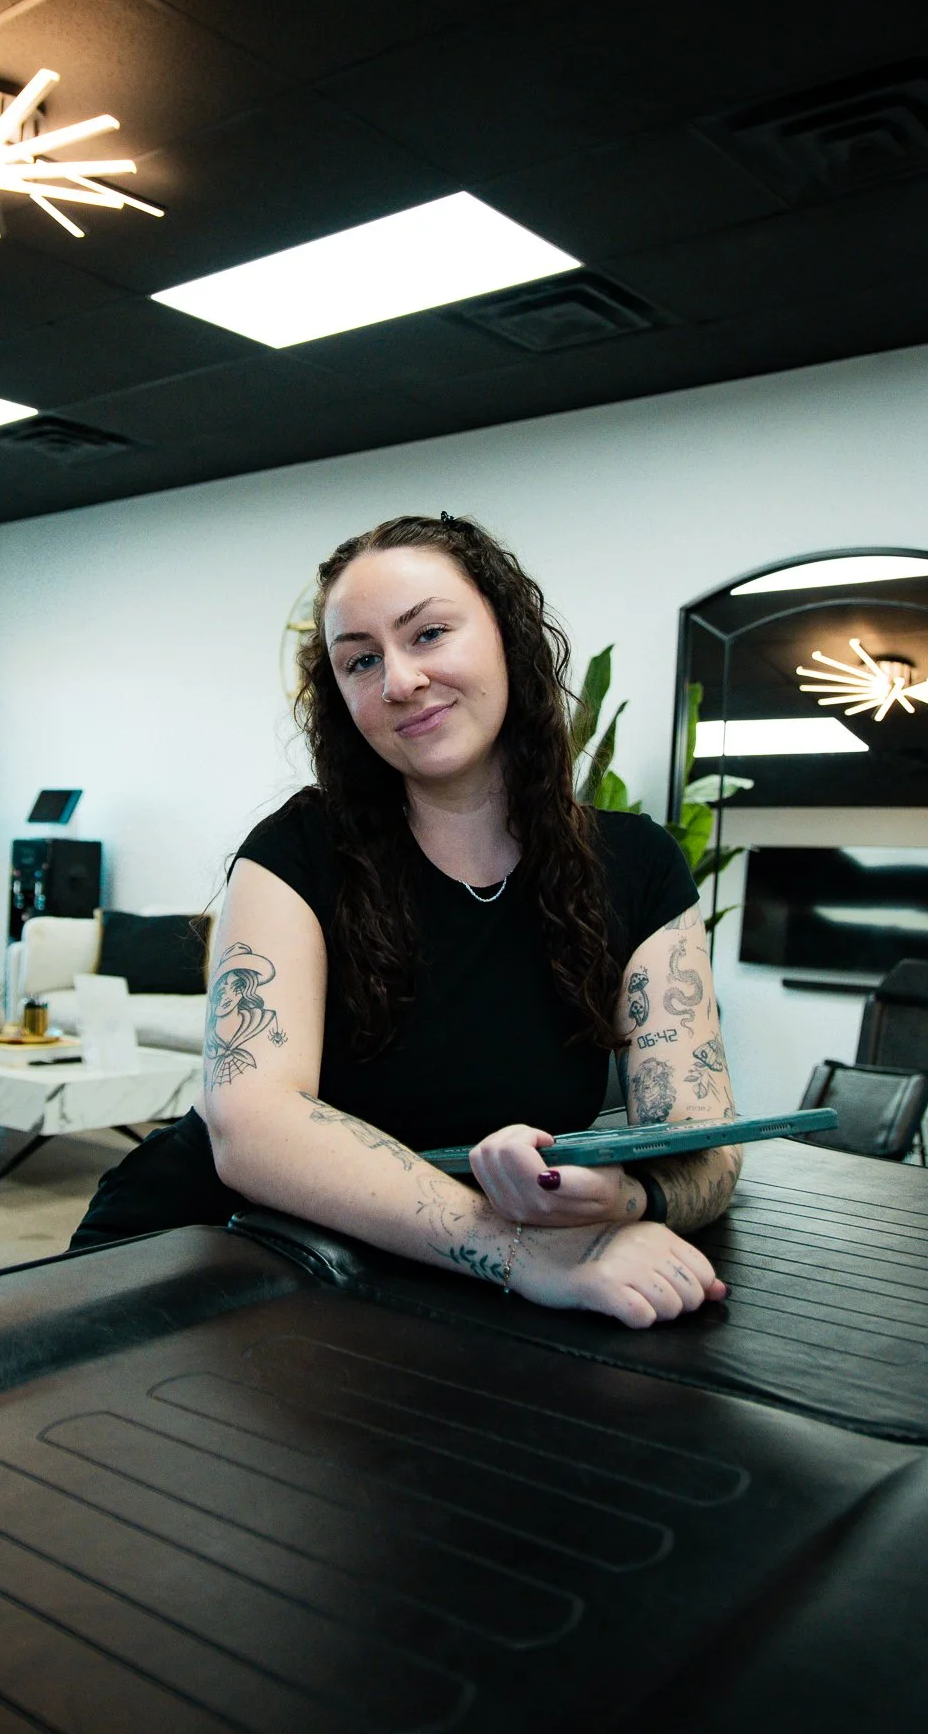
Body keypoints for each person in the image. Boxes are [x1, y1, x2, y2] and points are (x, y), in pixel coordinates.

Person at [73, 513, 740, 1328]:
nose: (398, 680)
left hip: (430, 1291)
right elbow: (251, 1126)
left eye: (427, 634)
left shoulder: (636, 864)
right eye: (360, 660)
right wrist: (532, 1253)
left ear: (507, 635)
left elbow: (701, 1138)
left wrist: (624, 1196)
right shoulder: (298, 849)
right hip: (212, 1258)